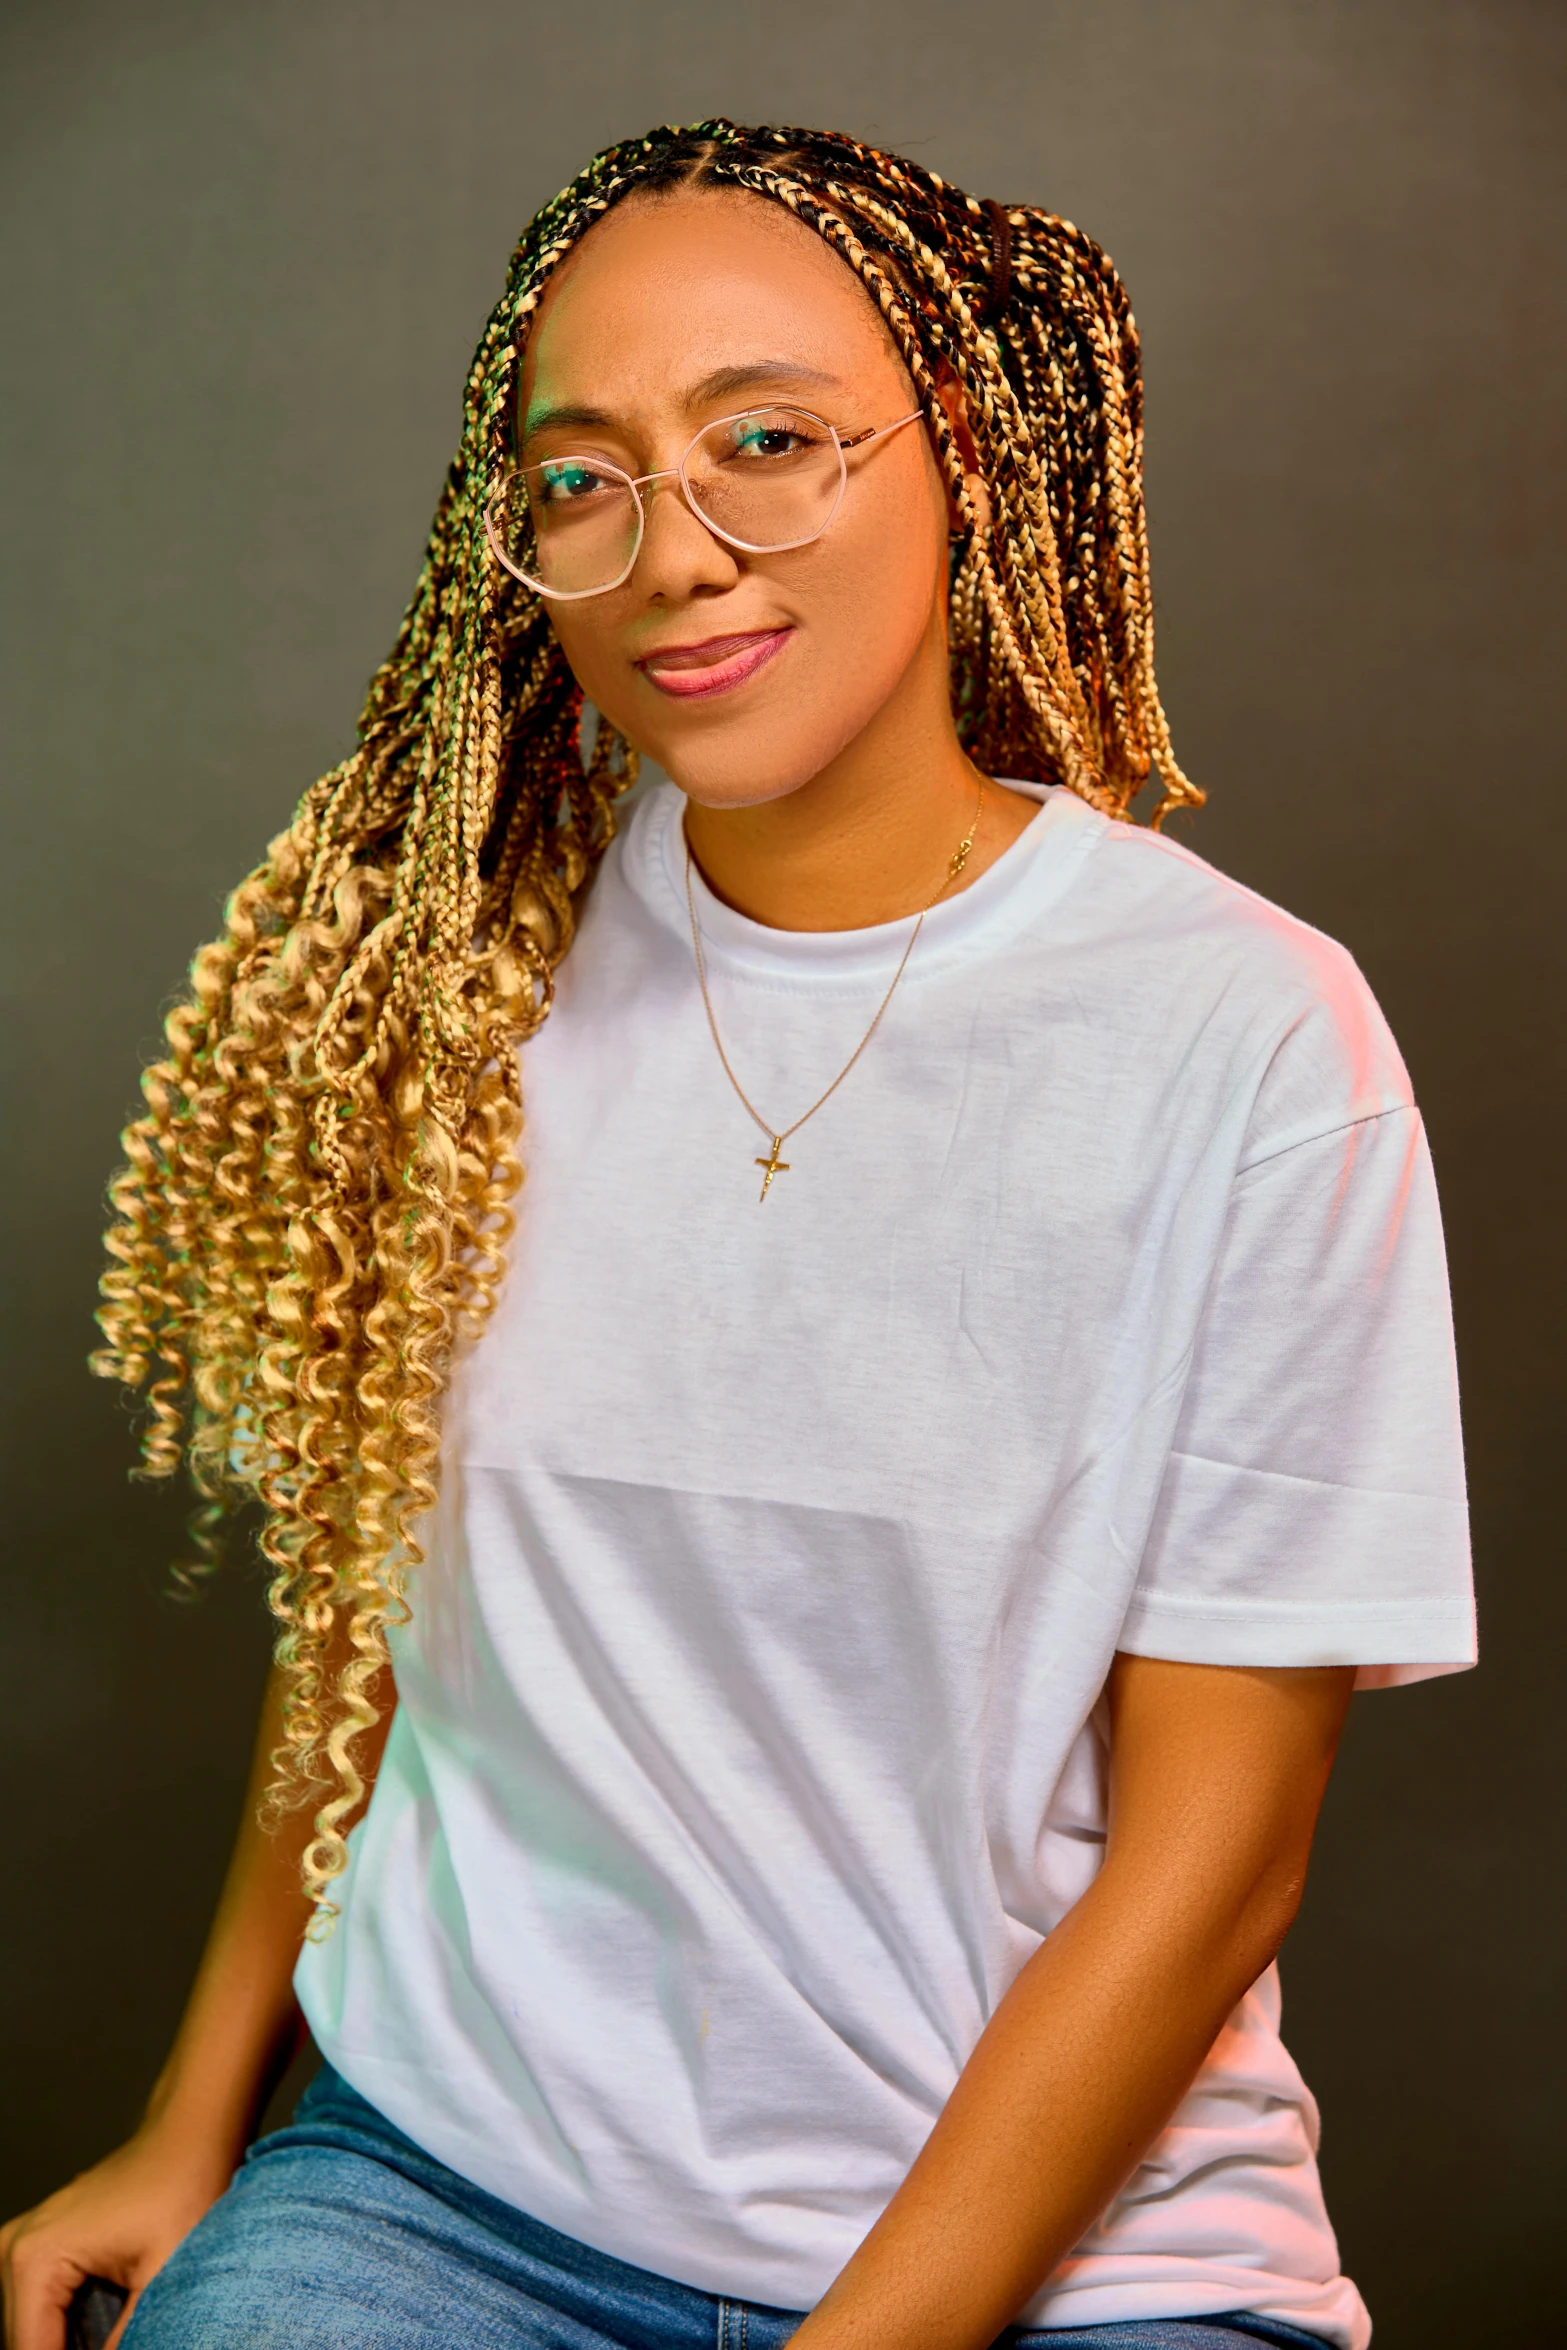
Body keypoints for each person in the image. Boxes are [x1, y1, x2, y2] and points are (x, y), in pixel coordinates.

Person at [1, 119, 1473, 2350]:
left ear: (961, 452)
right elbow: (370, 1644)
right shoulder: (456, 987)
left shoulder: (1249, 1038)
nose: (672, 550)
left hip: (1075, 2257)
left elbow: (1213, 1861)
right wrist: (196, 2119)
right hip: (453, 2188)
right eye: (581, 477)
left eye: (767, 443)